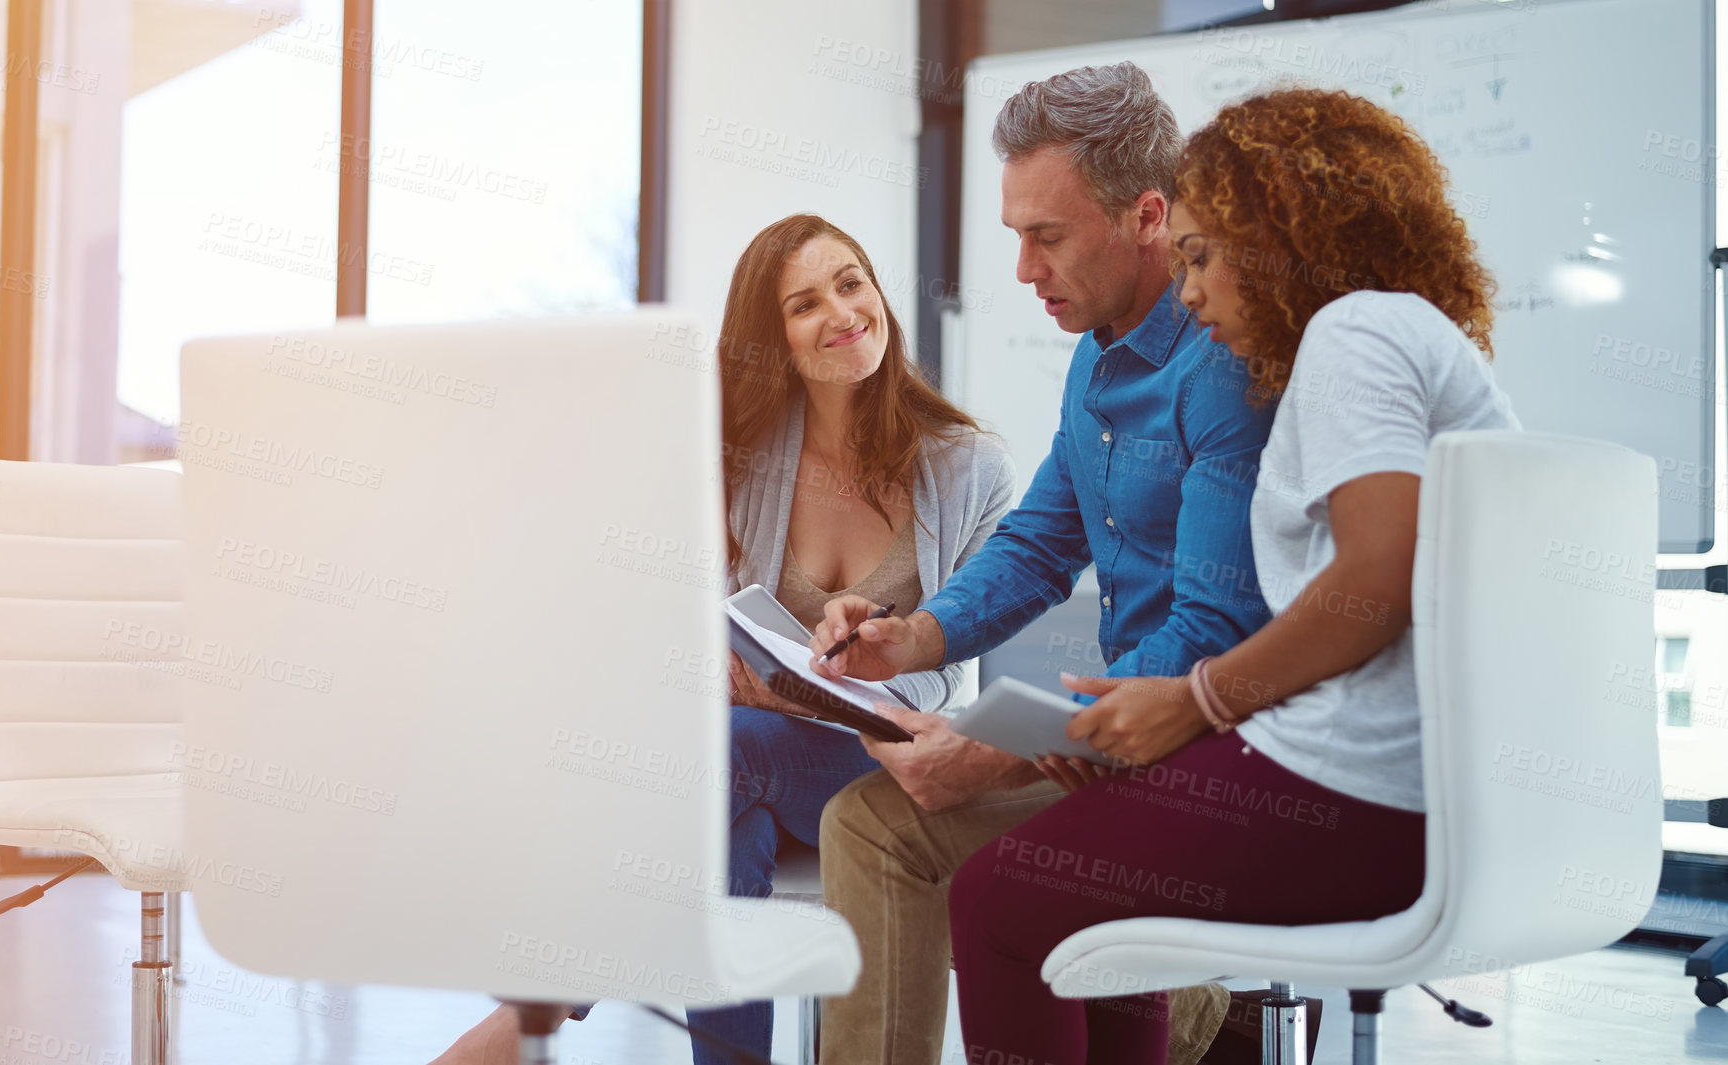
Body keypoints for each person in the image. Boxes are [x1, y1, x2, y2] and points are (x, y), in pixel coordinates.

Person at [942, 86, 1519, 1063]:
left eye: (1204, 257)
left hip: (1361, 799)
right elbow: (1045, 538)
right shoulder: (1399, 335)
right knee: (1081, 886)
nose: (1191, 290)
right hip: (1424, 795)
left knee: (995, 899)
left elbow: (1375, 577)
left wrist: (1194, 701)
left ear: (1284, 242)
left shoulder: (1352, 335)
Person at [426, 213, 1015, 1065]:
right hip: (745, 766)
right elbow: (689, 630)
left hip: (883, 766)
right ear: (773, 337)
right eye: (804, 302)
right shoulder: (742, 457)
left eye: (851, 282)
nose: (842, 312)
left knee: (720, 756)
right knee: (720, 806)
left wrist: (804, 691)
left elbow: (945, 672)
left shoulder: (970, 467)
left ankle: (535, 1012)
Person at [809, 63, 1278, 1065]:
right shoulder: (1095, 357)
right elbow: (1037, 541)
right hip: (1116, 741)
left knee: (955, 859)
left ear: (1146, 214)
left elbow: (1209, 633)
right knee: (868, 822)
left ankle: (1184, 1007)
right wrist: (912, 636)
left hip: (1208, 758)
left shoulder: (1222, 366)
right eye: (1016, 234)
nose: (1022, 270)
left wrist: (994, 751)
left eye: (1045, 236)